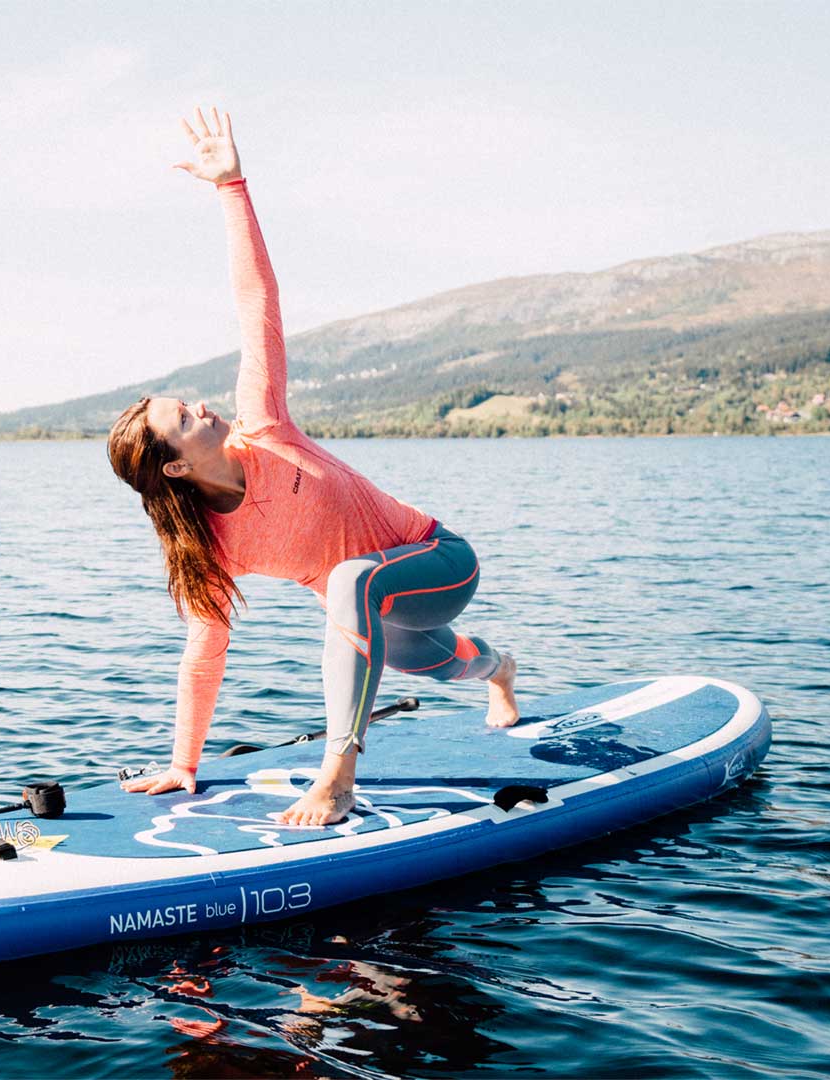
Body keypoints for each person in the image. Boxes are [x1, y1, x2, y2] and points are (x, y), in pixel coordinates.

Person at [107, 107, 520, 827]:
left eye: (189, 402)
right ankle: (501, 671)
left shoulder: (264, 425)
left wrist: (231, 188)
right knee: (446, 664)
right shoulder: (208, 547)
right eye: (184, 419)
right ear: (174, 470)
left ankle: (339, 776)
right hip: (377, 620)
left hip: (438, 560)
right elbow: (203, 655)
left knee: (348, 579)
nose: (202, 408)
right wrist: (184, 764)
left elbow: (256, 304)